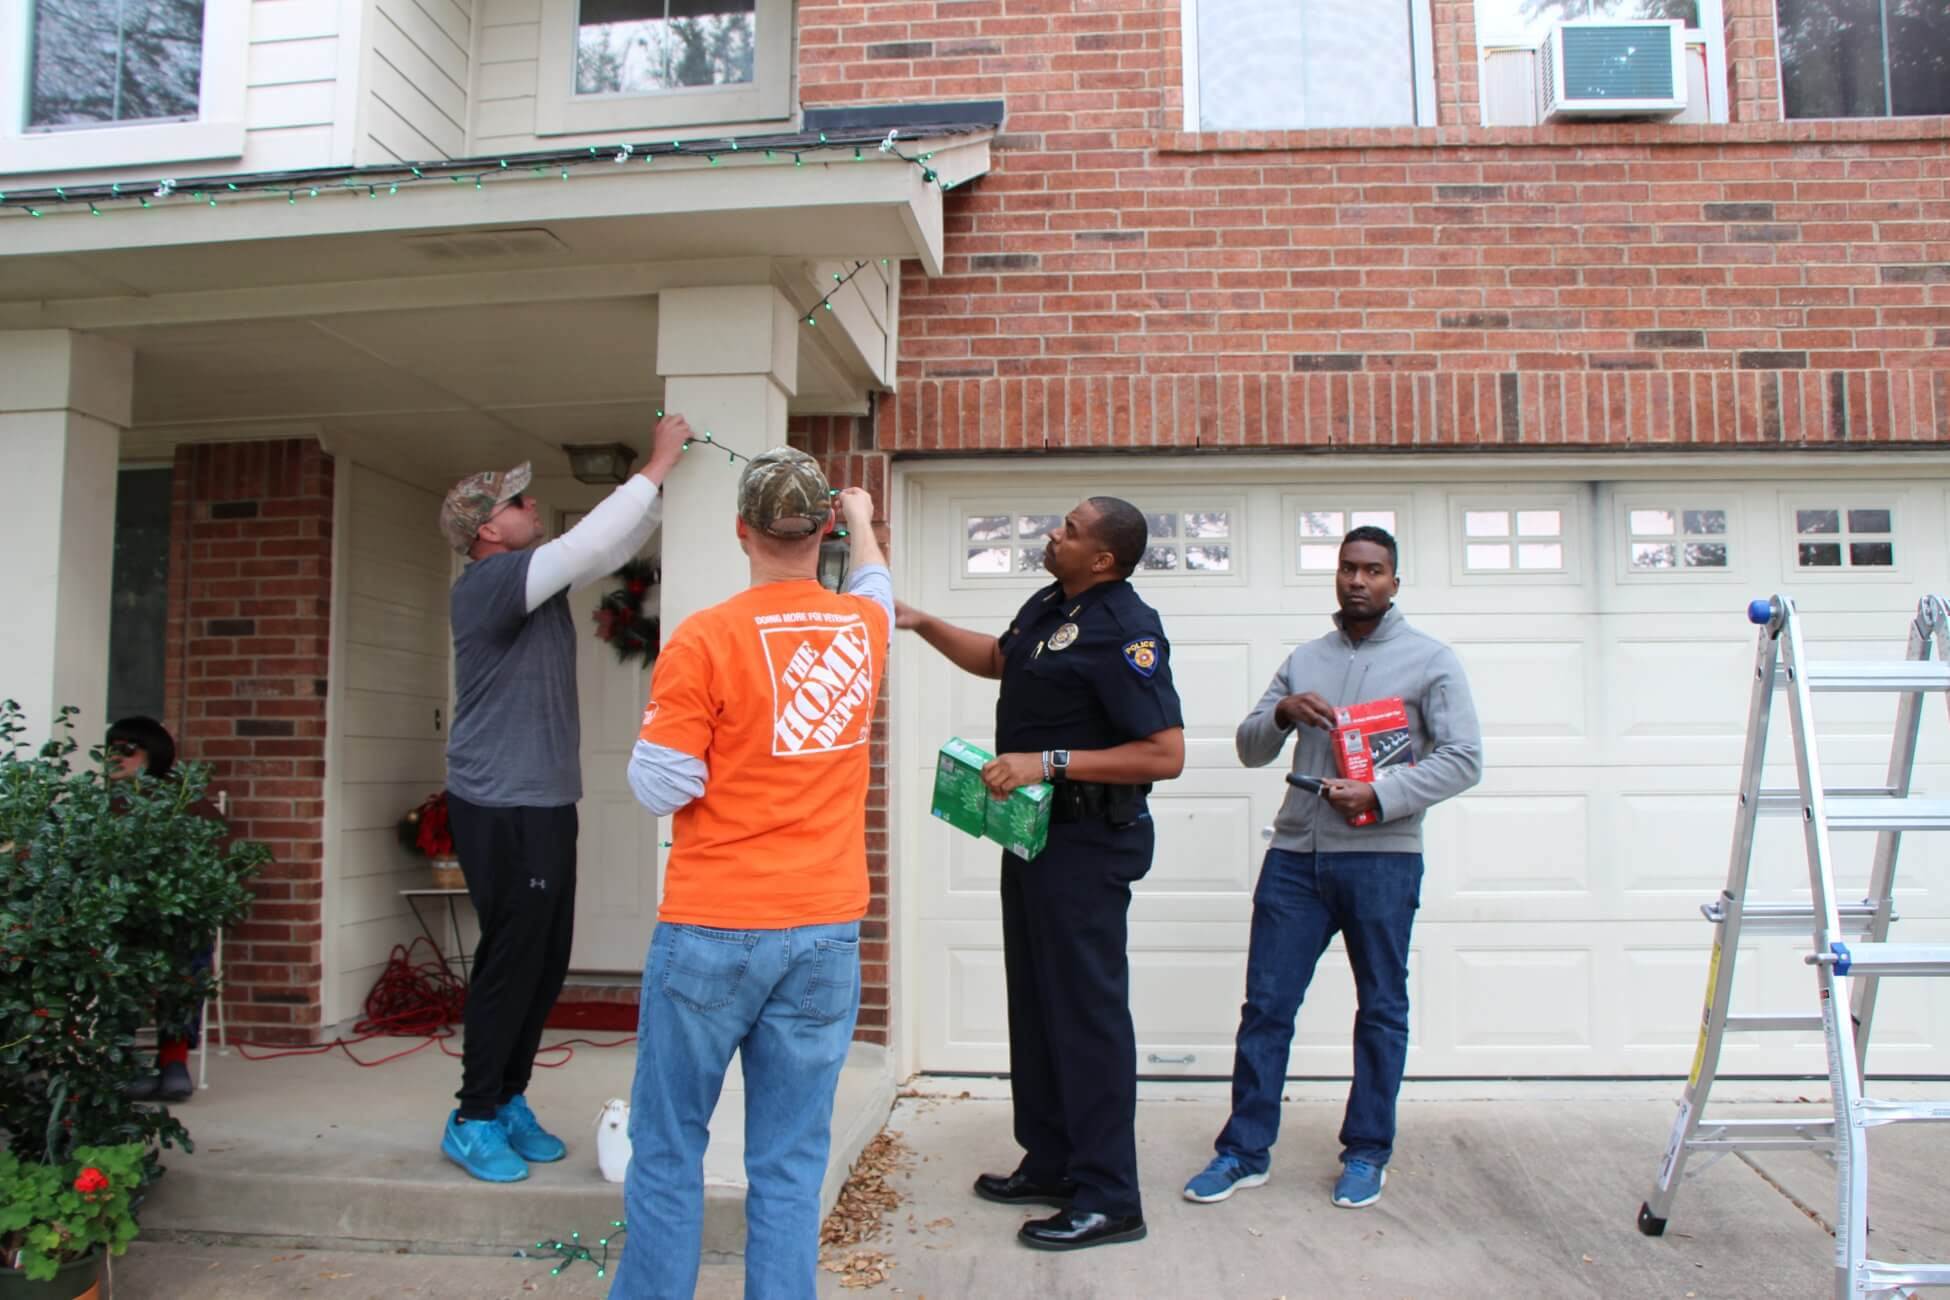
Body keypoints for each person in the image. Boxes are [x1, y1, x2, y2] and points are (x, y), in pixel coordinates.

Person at [612, 449, 890, 1300]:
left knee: (667, 1149)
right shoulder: (862, 629)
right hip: (823, 933)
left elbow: (662, 783)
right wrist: (866, 518)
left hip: (713, 926)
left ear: (741, 531)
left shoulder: (706, 635)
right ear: (824, 536)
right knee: (790, 1160)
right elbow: (876, 582)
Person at [895, 498, 1184, 1252]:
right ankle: (1054, 1161)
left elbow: (1165, 753)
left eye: (1071, 530)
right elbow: (1000, 659)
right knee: (1038, 1003)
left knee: (1086, 1015)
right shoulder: (1052, 603)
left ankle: (1110, 1196)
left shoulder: (1127, 629)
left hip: (1089, 842)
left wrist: (1047, 761)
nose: (1053, 534)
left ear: (1104, 560)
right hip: (1033, 836)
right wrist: (922, 622)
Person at [1182, 525, 1481, 1211]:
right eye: (1348, 568)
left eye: (1374, 571)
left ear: (1394, 583)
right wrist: (1283, 712)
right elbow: (1249, 748)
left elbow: (1463, 758)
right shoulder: (1304, 658)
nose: (1358, 581)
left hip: (1382, 860)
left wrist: (1380, 793)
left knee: (1380, 1010)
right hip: (1294, 859)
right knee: (1266, 1009)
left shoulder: (1431, 661)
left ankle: (1367, 1153)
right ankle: (1243, 1152)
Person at [435, 412, 693, 1184]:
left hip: (542, 797)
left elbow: (607, 548)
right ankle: (473, 1115)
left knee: (545, 960)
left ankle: (508, 1098)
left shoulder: (528, 581)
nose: (530, 506)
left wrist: (657, 490)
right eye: (515, 504)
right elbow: (586, 545)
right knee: (512, 958)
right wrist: (655, 463)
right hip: (499, 799)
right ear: (486, 531)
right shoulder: (490, 584)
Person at [107, 715, 224, 1104]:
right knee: (111, 957)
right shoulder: (96, 807)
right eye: (111, 747)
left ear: (152, 754)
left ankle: (174, 1060)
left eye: (127, 749)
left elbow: (223, 859)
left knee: (188, 949)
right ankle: (120, 1058)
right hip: (116, 917)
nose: (115, 757)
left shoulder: (188, 802)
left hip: (175, 916)